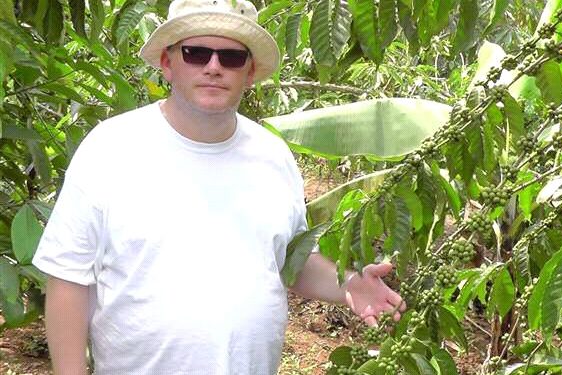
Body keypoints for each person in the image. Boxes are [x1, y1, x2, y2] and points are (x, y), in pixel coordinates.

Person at [31, 0, 405, 373]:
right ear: (167, 63)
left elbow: (292, 262)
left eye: (231, 57)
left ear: (250, 72)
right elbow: (68, 278)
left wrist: (350, 284)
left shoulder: (273, 156)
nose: (213, 67)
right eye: (196, 53)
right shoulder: (111, 147)